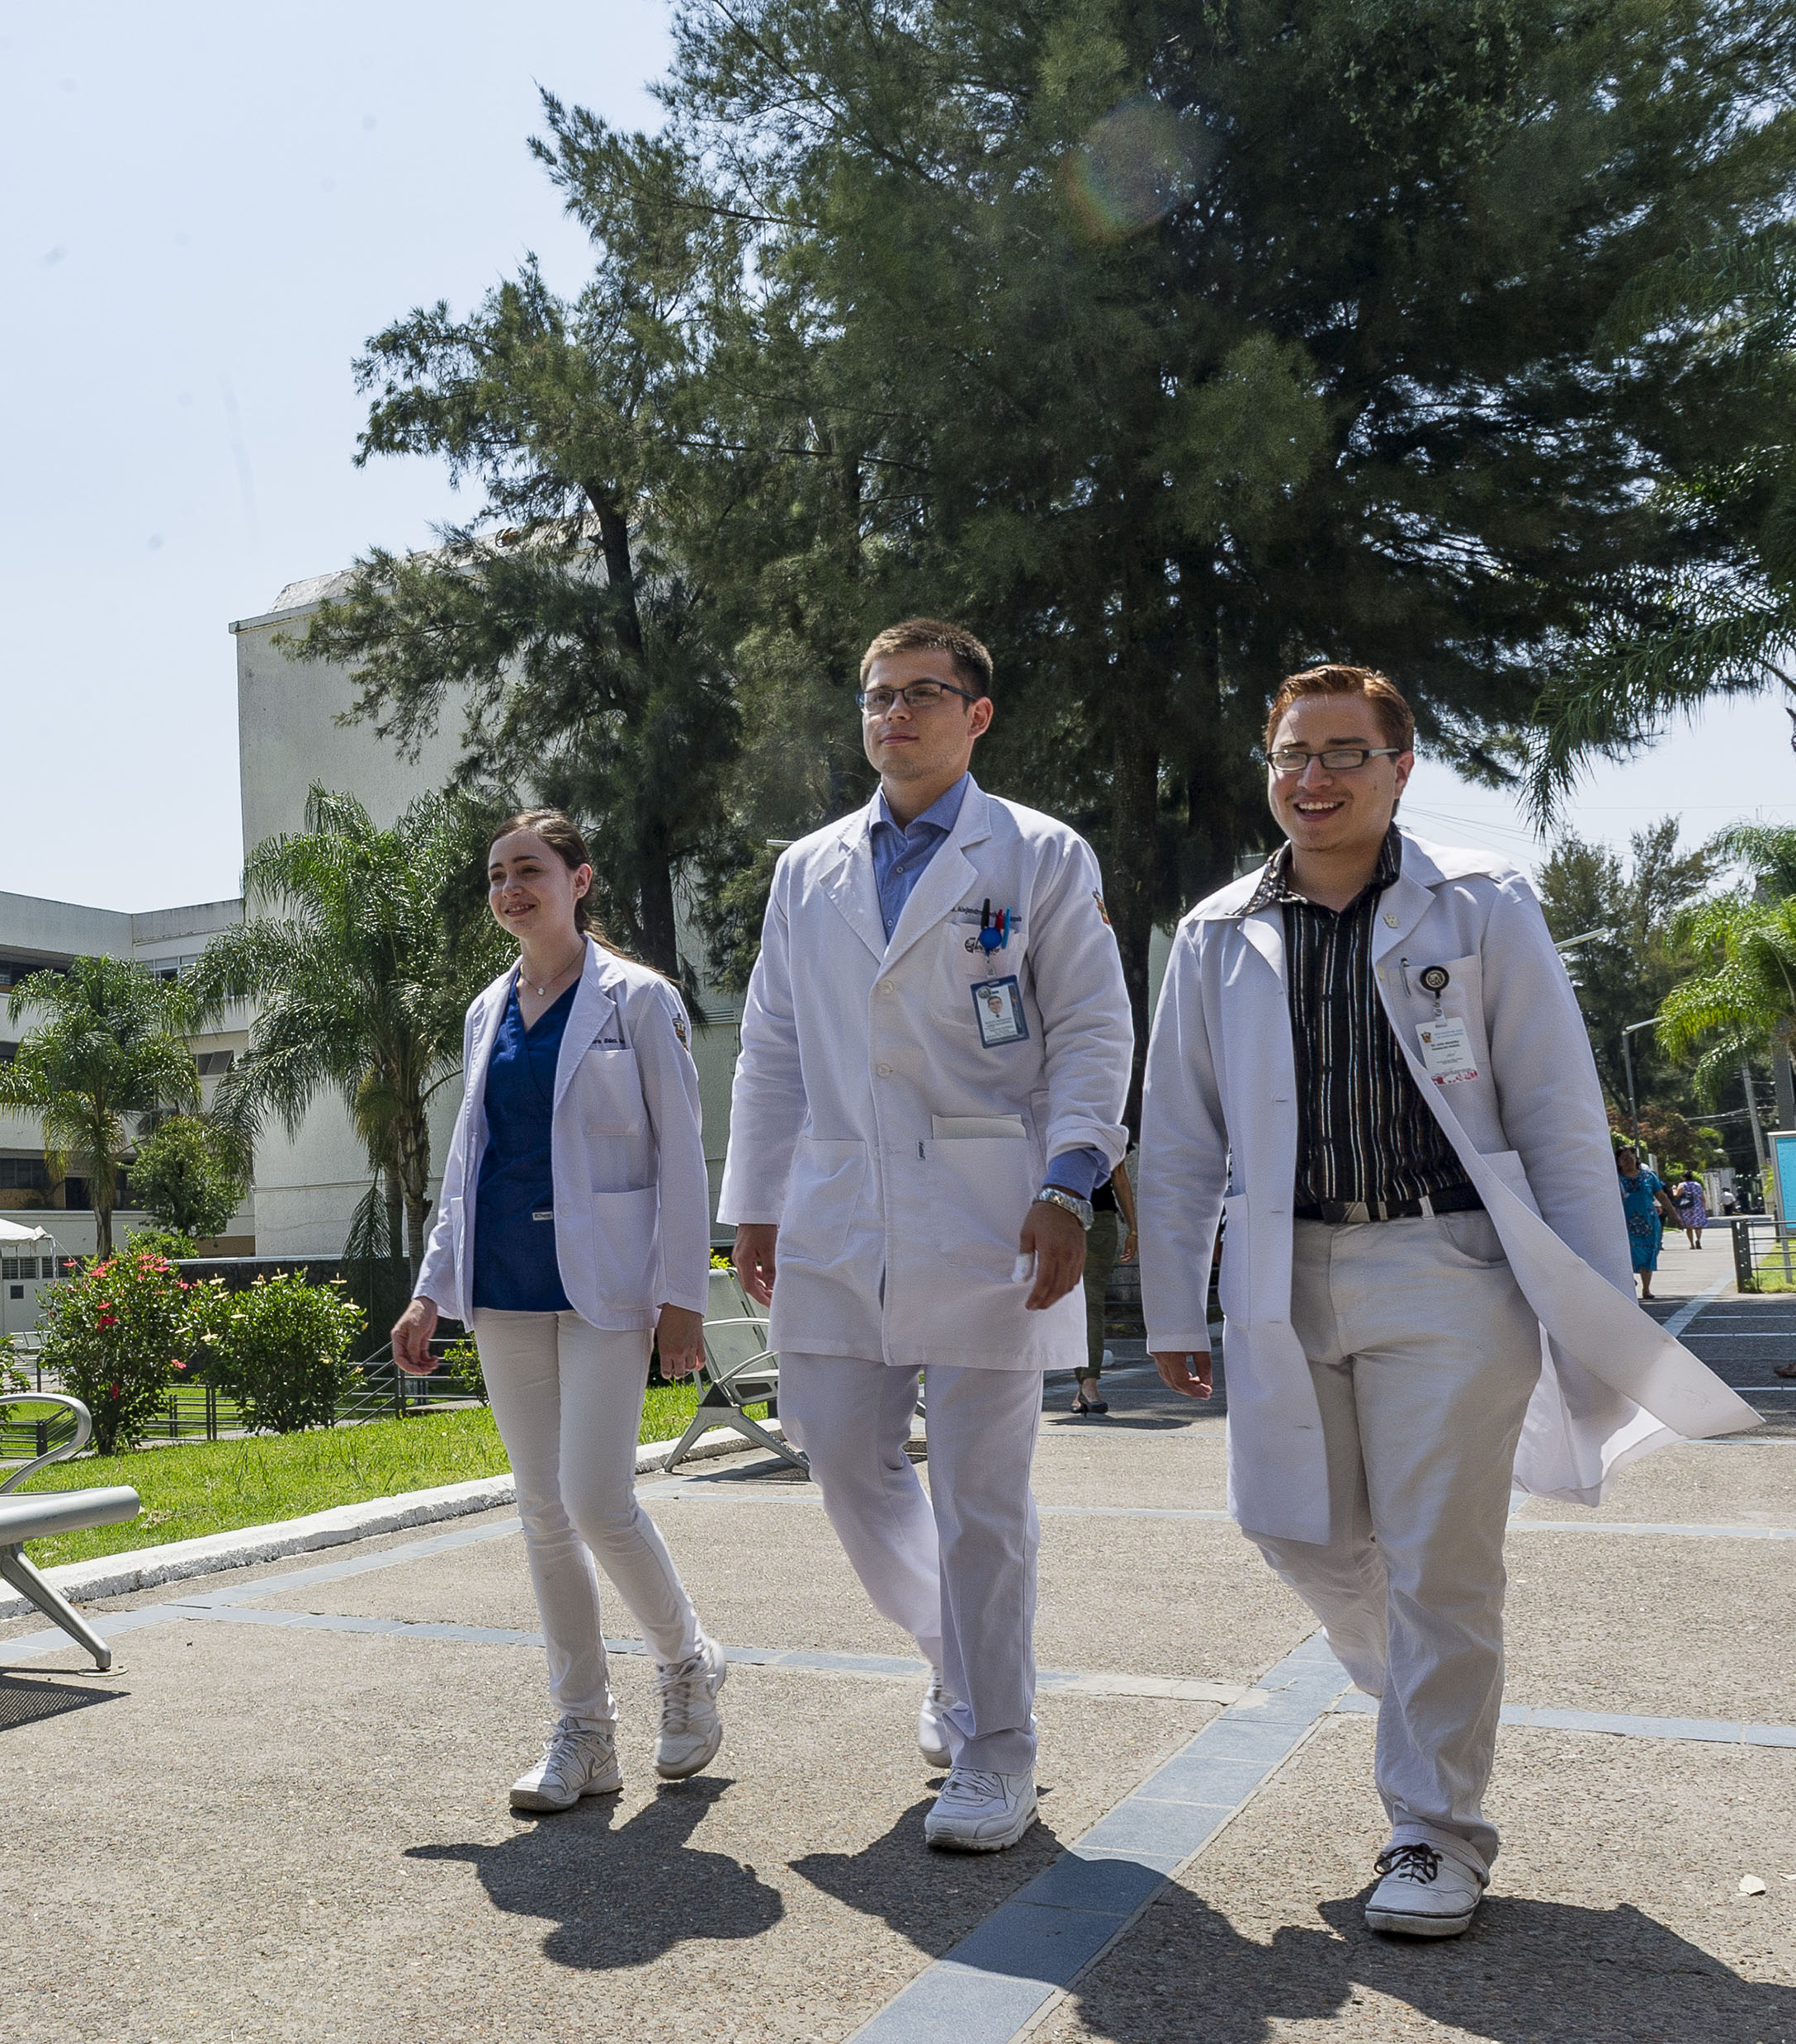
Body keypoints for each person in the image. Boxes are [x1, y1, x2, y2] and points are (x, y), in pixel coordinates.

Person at [1140, 662, 1760, 1940]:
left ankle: (1431, 1831)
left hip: (1447, 1266)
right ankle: (1425, 1689)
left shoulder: (1476, 903)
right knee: (1292, 1529)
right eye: (1291, 754)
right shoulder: (1214, 933)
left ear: (1399, 766)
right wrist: (1167, 1308)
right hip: (1278, 1273)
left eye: (1342, 753)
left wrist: (1592, 1306)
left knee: (1438, 1556)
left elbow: (1551, 1108)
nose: (1312, 778)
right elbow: (1181, 1136)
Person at [722, 618, 1133, 1853]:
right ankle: (956, 1657)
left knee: (981, 1497)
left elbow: (1091, 1029)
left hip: (988, 1206)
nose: (892, 715)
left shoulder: (1038, 854)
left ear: (976, 714)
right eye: (875, 696)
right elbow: (770, 1043)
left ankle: (997, 1747)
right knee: (839, 1452)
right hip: (838, 1203)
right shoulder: (808, 869)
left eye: (920, 694)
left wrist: (1069, 1183)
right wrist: (754, 1201)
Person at [396, 809, 725, 1812]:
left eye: (530, 869)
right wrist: (429, 1288)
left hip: (608, 1288)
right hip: (503, 1283)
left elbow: (682, 1155)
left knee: (595, 1499)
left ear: (579, 880)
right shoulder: (485, 1010)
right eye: (498, 875)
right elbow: (467, 1164)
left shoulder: (640, 999)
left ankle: (686, 1660)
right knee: (541, 1510)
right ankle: (585, 1729)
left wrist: (683, 1296)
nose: (511, 889)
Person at [1070, 1157, 1140, 1417]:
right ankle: (1081, 1384)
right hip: (1057, 1216)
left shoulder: (1110, 1132)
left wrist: (1133, 1230)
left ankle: (1088, 1382)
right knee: (1059, 1305)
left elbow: (1119, 1175)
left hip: (1098, 1220)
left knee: (1090, 1303)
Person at [1617, 1145, 1680, 1300]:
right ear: (1618, 1162)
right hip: (1625, 1222)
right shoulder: (1615, 1179)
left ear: (1636, 1159)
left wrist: (1674, 1215)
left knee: (1649, 1252)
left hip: (1649, 1221)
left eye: (1630, 1157)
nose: (1628, 1160)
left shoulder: (1648, 1177)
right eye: (1623, 1158)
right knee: (1628, 1252)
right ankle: (1628, 1279)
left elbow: (1662, 1196)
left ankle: (1646, 1289)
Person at [1670, 1167, 1709, 1252]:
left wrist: (1674, 1189)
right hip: (1697, 1206)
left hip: (1686, 1206)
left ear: (1684, 1177)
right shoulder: (1698, 1185)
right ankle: (1698, 1240)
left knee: (1689, 1227)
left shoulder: (1682, 1185)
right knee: (1698, 1226)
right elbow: (1702, 1197)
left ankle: (1692, 1244)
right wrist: (1704, 1207)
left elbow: (1676, 1195)